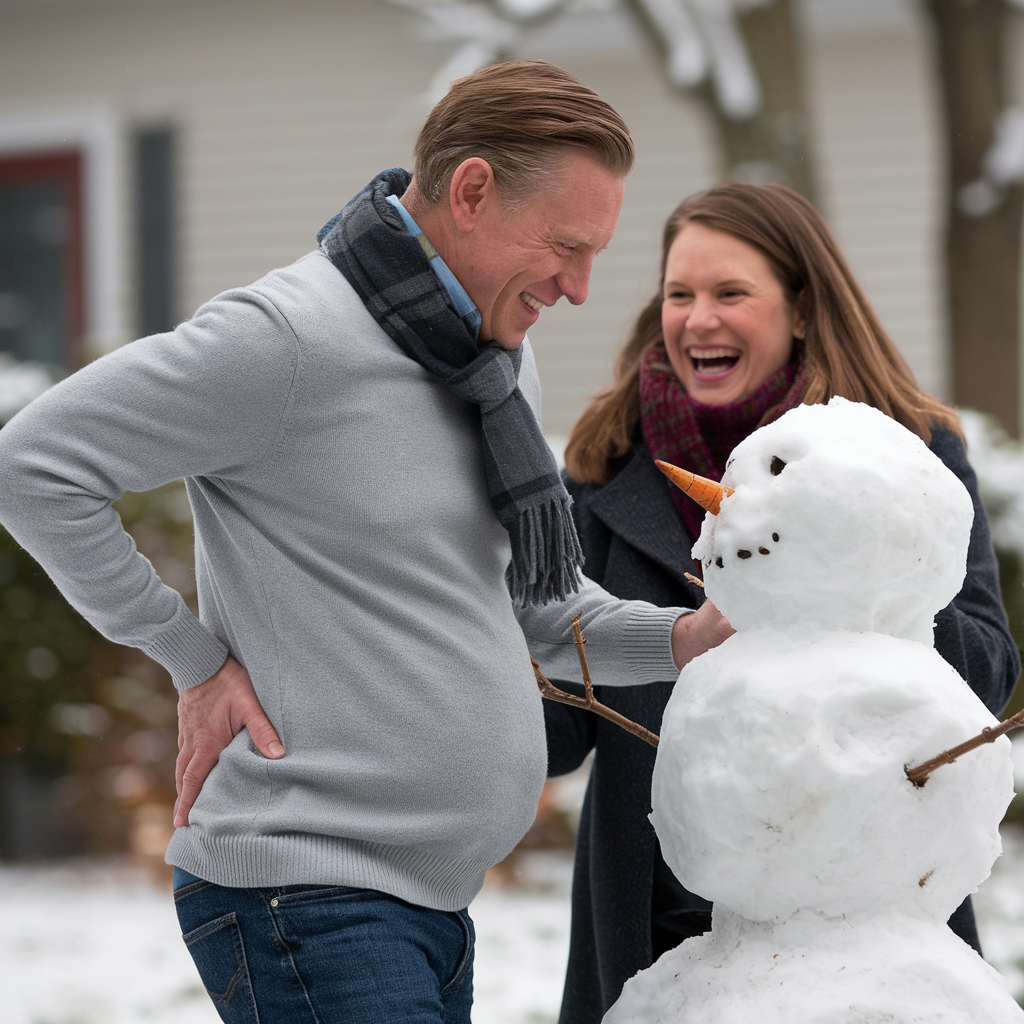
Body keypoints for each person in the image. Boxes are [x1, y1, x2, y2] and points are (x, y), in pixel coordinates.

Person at [0, 61, 716, 1024]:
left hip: (428, 904)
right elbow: (33, 465)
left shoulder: (492, 362)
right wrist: (192, 658)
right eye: (565, 248)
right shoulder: (287, 340)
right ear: (471, 192)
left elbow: (538, 612)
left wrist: (688, 638)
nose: (582, 289)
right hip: (309, 893)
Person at [544, 182, 1021, 1024]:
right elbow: (557, 723)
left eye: (731, 293)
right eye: (679, 294)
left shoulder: (906, 454)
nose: (697, 319)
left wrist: (844, 581)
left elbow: (984, 669)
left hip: (856, 913)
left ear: (802, 309)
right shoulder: (604, 464)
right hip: (654, 908)